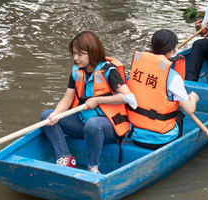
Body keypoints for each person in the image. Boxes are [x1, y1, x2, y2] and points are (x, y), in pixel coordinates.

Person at [41, 31, 136, 174]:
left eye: (80, 54)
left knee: (93, 124)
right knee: (46, 116)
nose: (75, 58)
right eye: (74, 53)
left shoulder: (109, 71)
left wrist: (99, 100)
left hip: (108, 128)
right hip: (83, 123)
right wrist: (57, 114)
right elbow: (67, 99)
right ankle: (65, 158)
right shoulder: (77, 71)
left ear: (92, 52)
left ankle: (93, 167)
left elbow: (130, 99)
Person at [126, 29, 199, 150]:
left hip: (134, 134)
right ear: (172, 51)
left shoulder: (138, 70)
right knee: (179, 112)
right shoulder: (173, 77)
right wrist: (193, 98)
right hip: (161, 140)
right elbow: (190, 110)